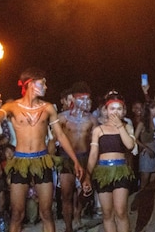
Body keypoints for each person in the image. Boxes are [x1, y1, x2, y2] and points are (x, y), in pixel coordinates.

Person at [0, 68, 83, 232]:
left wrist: (75, 161)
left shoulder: (48, 108)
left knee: (46, 213)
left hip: (42, 160)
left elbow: (60, 135)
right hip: (20, 161)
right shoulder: (11, 107)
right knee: (17, 214)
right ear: (30, 84)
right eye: (42, 83)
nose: (46, 86)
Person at [83, 91, 136, 232]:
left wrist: (119, 126)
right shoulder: (98, 130)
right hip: (103, 171)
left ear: (124, 111)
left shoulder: (126, 127)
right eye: (112, 108)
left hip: (121, 170)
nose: (115, 112)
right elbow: (93, 154)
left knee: (121, 211)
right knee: (107, 213)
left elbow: (130, 145)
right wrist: (87, 175)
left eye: (119, 109)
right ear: (105, 110)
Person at [57, 82, 99, 232]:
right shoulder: (62, 118)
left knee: (86, 191)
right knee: (66, 194)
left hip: (85, 157)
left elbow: (96, 144)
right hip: (66, 158)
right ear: (74, 100)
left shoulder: (93, 120)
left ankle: (78, 211)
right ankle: (68, 227)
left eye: (89, 99)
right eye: (84, 99)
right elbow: (53, 139)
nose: (87, 103)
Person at [131, 100, 155, 232]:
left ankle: (147, 202)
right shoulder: (142, 123)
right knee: (144, 181)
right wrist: (145, 148)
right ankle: (139, 203)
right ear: (149, 110)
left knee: (153, 179)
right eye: (154, 108)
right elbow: (134, 138)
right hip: (147, 151)